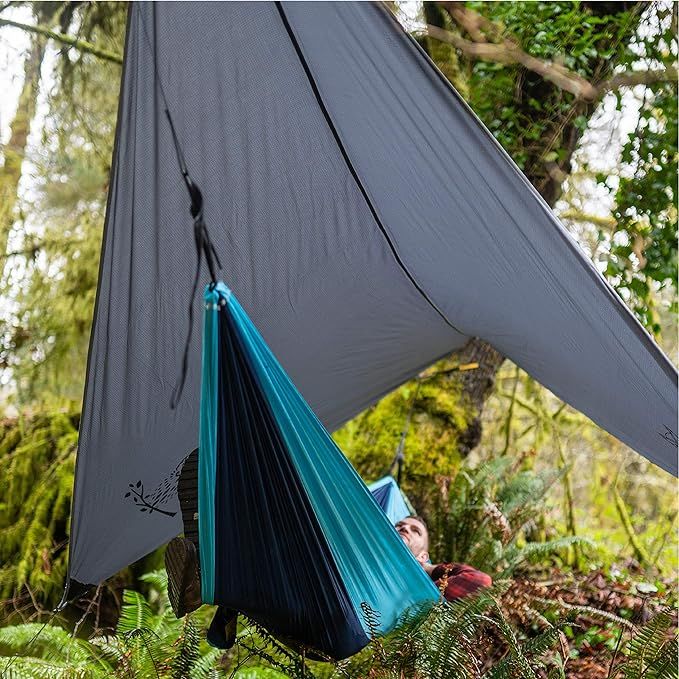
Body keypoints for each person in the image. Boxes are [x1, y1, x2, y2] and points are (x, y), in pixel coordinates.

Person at [395, 516, 492, 601]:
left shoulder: (412, 590)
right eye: (399, 525)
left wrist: (430, 569)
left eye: (416, 531)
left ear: (422, 556)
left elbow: (481, 581)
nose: (404, 528)